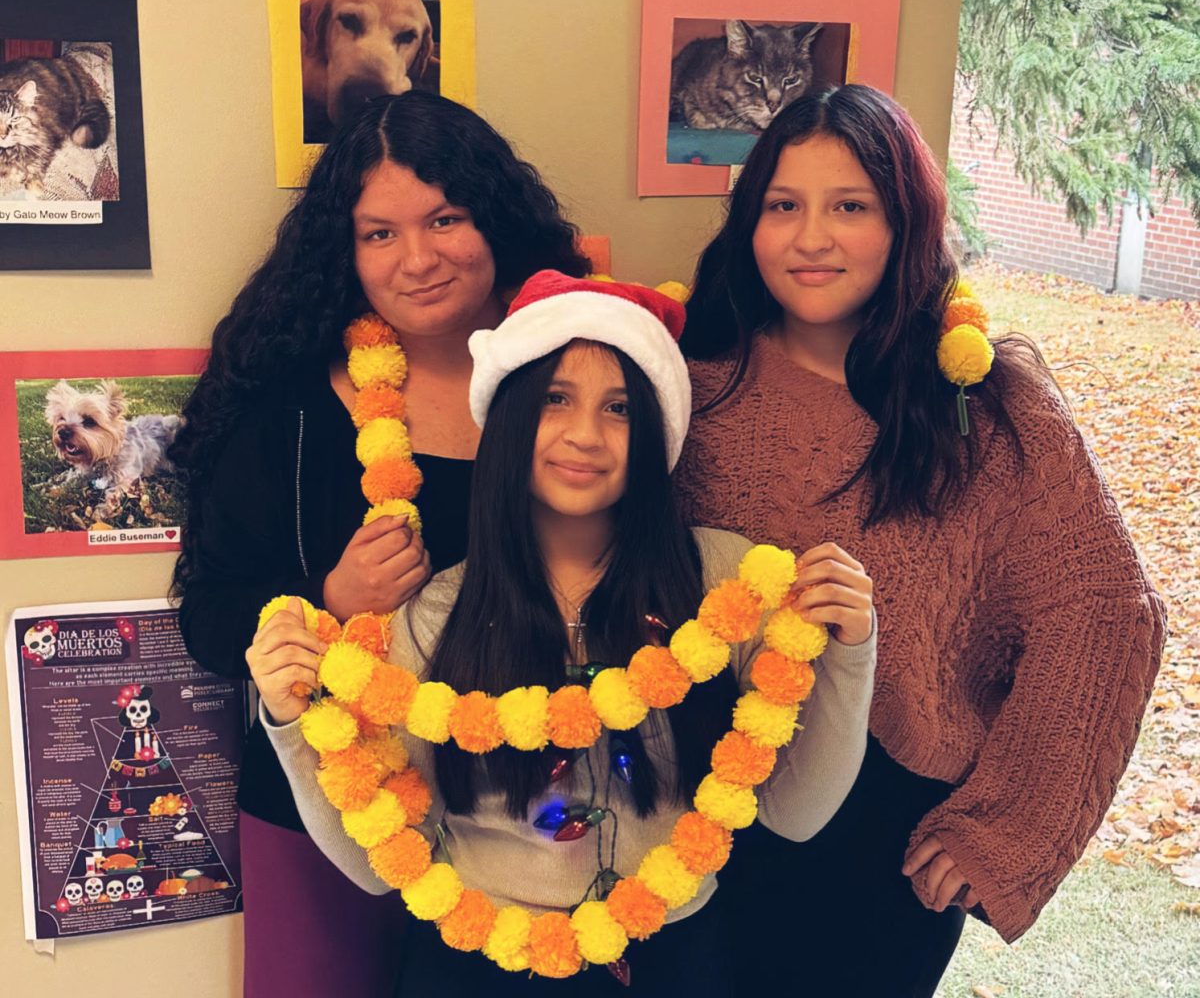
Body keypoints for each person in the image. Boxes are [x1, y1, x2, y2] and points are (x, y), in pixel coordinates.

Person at [248, 271, 878, 995]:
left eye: (618, 408)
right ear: (511, 419)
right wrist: (294, 724)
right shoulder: (433, 619)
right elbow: (376, 863)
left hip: (671, 957)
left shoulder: (727, 589)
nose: (585, 435)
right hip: (476, 965)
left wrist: (852, 651)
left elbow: (798, 816)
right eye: (556, 400)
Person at [674, 83, 1167, 996]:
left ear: (905, 224)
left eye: (849, 206)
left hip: (883, 846)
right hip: (695, 810)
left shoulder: (988, 409)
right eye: (783, 205)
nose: (811, 237)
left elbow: (1106, 617)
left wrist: (1009, 833)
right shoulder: (686, 393)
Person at [171, 92, 591, 997]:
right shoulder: (288, 405)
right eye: (379, 234)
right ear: (344, 251)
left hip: (538, 810)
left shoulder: (581, 384)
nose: (420, 259)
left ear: (495, 220)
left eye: (446, 218)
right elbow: (207, 614)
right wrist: (328, 602)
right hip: (334, 804)